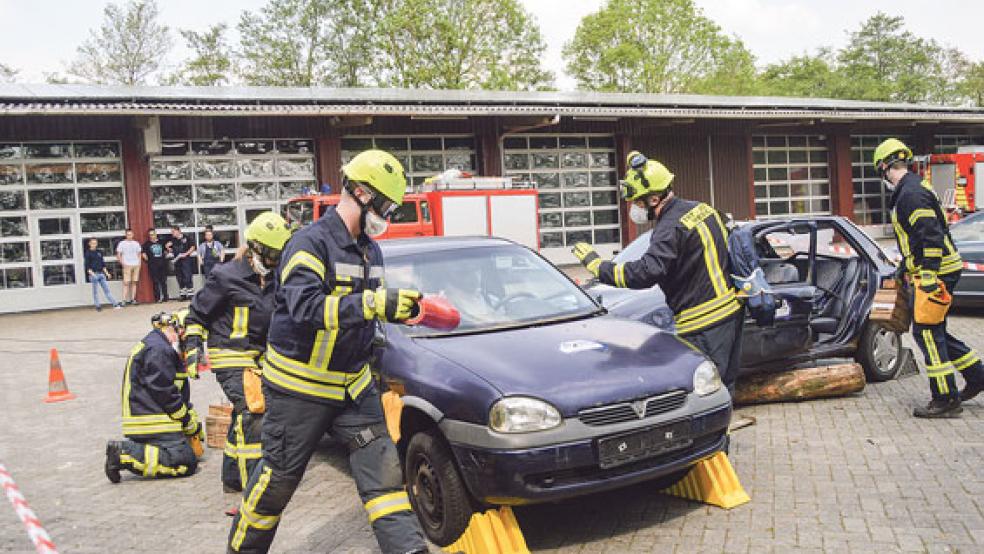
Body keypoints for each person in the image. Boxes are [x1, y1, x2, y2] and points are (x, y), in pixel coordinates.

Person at [228, 150, 427, 554]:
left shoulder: (372, 251)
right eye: (386, 204)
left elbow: (364, 312)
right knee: (277, 484)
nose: (387, 213)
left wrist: (398, 315)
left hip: (353, 390)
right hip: (298, 392)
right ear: (358, 191)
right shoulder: (309, 243)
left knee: (385, 481)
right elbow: (304, 307)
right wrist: (373, 304)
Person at [573, 151, 743, 392]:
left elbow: (645, 273)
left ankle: (713, 430)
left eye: (638, 201)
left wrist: (598, 266)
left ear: (654, 200)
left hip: (702, 322)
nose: (635, 208)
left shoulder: (668, 228)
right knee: (724, 384)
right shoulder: (703, 209)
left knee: (704, 391)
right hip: (730, 313)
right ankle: (723, 427)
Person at [874, 138, 984, 417]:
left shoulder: (910, 194)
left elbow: (931, 237)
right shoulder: (911, 189)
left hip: (938, 272)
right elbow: (916, 239)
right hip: (936, 269)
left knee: (927, 334)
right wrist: (905, 269)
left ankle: (945, 399)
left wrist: (928, 275)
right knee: (936, 332)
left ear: (885, 167)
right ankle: (977, 375)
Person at [185, 212, 290, 495]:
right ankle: (251, 486)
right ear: (254, 249)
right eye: (270, 257)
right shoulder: (226, 275)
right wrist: (192, 348)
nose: (274, 263)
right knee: (253, 411)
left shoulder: (277, 278)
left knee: (246, 414)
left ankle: (231, 477)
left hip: (259, 356)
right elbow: (197, 314)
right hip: (229, 355)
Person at [104, 310, 204, 483]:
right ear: (179, 331)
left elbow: (177, 393)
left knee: (186, 451)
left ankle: (138, 450)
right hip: (151, 420)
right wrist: (187, 421)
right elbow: (166, 394)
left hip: (152, 415)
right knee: (185, 462)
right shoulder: (159, 350)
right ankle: (123, 454)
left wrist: (192, 423)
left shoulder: (158, 345)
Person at [84, 238, 122, 311]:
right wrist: (92, 274)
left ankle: (115, 303)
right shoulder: (88, 253)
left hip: (101, 274)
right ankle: (98, 306)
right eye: (93, 243)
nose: (94, 244)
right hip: (94, 274)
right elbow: (87, 266)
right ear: (89, 244)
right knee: (95, 291)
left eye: (95, 243)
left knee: (107, 290)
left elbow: (102, 264)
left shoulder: (99, 252)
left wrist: (107, 273)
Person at [168, 226, 196, 300]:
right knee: (179, 277)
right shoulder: (173, 240)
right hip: (177, 260)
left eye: (173, 232)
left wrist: (186, 254)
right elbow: (169, 249)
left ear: (179, 231)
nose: (172, 233)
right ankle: (183, 294)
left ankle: (190, 294)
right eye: (172, 232)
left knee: (187, 276)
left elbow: (193, 247)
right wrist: (167, 247)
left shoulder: (187, 238)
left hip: (186, 260)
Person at [116, 228, 143, 305]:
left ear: (133, 235)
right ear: (126, 235)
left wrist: (139, 263)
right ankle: (124, 300)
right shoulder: (122, 243)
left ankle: (133, 299)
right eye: (128, 234)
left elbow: (139, 254)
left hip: (136, 264)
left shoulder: (136, 243)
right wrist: (122, 263)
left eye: (130, 234)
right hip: (127, 264)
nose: (129, 236)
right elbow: (118, 254)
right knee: (126, 282)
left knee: (134, 282)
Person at [142, 228, 169, 303]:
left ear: (156, 234)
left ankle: (165, 297)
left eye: (153, 234)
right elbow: (143, 253)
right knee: (155, 282)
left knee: (163, 281)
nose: (152, 236)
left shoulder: (162, 242)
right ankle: (158, 298)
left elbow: (166, 251)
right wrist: (145, 256)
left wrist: (166, 253)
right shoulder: (146, 244)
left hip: (162, 265)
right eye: (150, 235)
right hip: (153, 265)